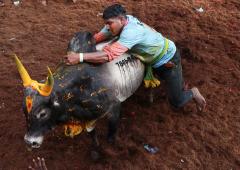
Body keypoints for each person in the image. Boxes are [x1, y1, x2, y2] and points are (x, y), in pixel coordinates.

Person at [65, 4, 206, 111]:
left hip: (167, 59)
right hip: (151, 55)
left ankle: (193, 92)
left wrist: (80, 57)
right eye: (106, 23)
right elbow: (99, 37)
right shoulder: (122, 22)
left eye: (110, 23)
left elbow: (108, 56)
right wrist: (87, 45)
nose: (107, 26)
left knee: (177, 102)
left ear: (121, 20)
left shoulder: (131, 33)